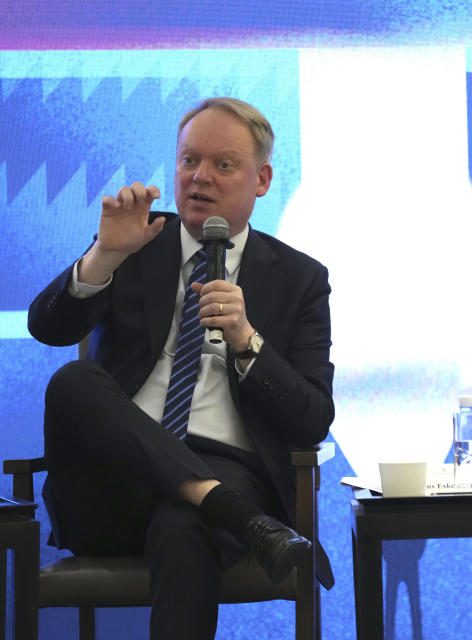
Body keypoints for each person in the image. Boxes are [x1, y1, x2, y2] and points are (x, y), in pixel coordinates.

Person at [28, 97, 335, 639]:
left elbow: (312, 419)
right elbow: (48, 328)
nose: (200, 178)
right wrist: (104, 254)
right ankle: (232, 511)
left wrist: (246, 341)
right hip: (112, 484)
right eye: (189, 161)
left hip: (225, 463)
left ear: (261, 179)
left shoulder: (299, 279)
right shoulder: (134, 239)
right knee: (74, 380)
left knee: (185, 520)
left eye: (223, 165)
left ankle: (216, 503)